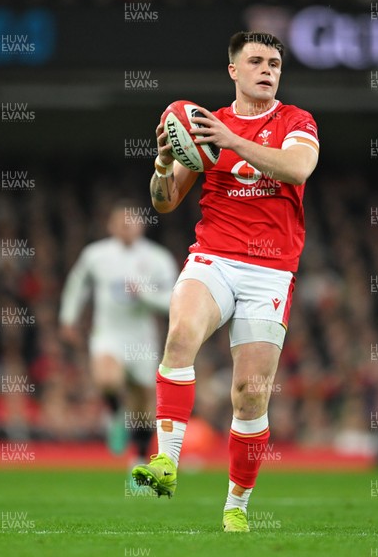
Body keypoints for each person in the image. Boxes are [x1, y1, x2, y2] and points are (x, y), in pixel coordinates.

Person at [132, 31, 320, 532]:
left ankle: (236, 504)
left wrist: (232, 140)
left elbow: (299, 169)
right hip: (214, 256)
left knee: (250, 394)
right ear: (233, 70)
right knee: (179, 336)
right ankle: (165, 463)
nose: (267, 69)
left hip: (271, 271)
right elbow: (163, 201)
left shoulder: (295, 122)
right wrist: (165, 160)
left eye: (275, 63)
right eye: (256, 61)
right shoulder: (205, 128)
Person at [59, 199, 178, 461]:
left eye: (131, 221)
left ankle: (140, 455)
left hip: (142, 337)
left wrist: (144, 295)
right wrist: (68, 318)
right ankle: (115, 413)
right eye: (121, 222)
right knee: (107, 379)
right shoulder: (96, 255)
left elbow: (174, 299)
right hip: (109, 333)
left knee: (143, 401)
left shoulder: (158, 258)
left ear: (142, 225)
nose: (126, 227)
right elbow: (77, 285)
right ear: (110, 226)